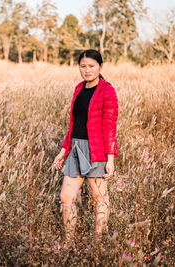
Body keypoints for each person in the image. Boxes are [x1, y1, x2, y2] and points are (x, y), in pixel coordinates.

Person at [52, 49, 118, 248]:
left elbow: (110, 126)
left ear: (100, 67)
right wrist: (63, 151)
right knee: (66, 196)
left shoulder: (107, 90)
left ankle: (97, 243)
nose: (87, 70)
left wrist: (110, 159)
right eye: (83, 66)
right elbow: (73, 123)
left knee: (100, 197)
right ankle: (69, 243)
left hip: (96, 149)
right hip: (75, 148)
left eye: (91, 66)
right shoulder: (79, 88)